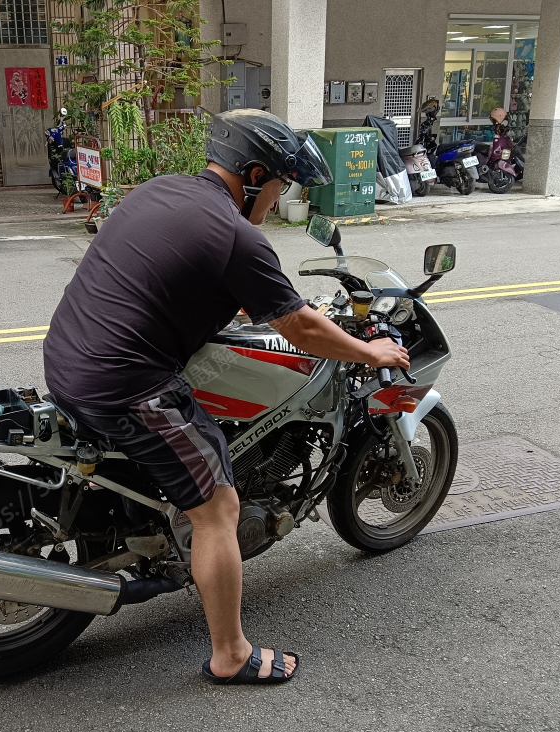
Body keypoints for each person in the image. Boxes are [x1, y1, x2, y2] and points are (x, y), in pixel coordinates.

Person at [42, 109, 410, 685]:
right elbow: (300, 328)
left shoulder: (160, 191)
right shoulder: (238, 236)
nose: (280, 197)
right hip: (124, 383)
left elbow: (168, 272)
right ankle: (230, 654)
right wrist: (370, 352)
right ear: (256, 175)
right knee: (218, 506)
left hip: (66, 358)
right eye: (281, 184)